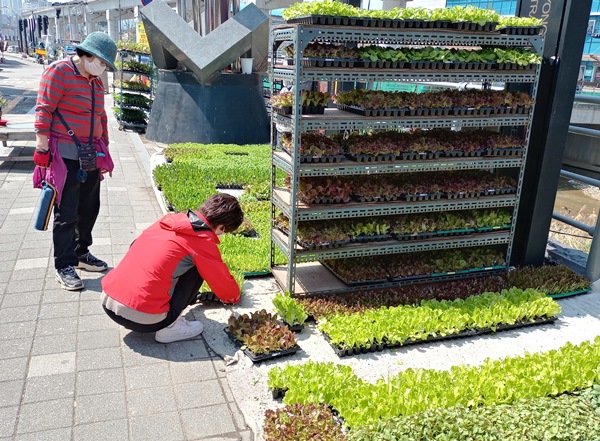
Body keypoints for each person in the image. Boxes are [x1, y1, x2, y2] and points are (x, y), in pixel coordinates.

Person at [32, 32, 117, 291]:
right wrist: (41, 146)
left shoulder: (96, 82)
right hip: (65, 155)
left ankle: (81, 253)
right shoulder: (58, 72)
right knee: (66, 212)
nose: (102, 68)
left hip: (91, 155)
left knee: (89, 208)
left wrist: (105, 145)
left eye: (105, 65)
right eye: (101, 62)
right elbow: (44, 109)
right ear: (87, 54)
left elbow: (101, 116)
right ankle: (64, 264)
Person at [101, 193, 244, 343]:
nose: (222, 235)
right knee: (197, 269)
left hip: (108, 302)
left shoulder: (168, 221)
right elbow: (226, 290)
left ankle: (142, 309)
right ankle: (170, 328)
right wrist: (235, 297)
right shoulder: (202, 241)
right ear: (221, 227)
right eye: (225, 232)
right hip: (143, 319)